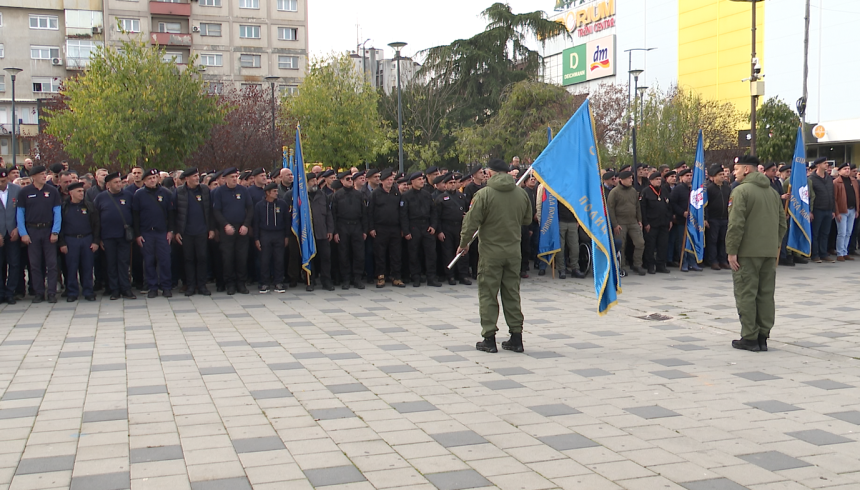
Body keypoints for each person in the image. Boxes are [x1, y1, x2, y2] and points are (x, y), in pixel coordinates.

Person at [459, 159, 532, 353]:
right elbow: (527, 219)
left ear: (491, 174)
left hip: (491, 253)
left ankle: (489, 338)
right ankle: (516, 337)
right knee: (512, 293)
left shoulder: (483, 195)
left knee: (488, 294)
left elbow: (470, 222)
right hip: (513, 252)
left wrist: (463, 244)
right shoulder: (521, 194)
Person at [726, 155, 787, 352]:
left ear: (746, 170)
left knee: (746, 293)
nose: (734, 172)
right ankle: (763, 336)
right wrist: (774, 245)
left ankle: (750, 337)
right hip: (768, 252)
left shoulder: (740, 191)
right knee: (766, 294)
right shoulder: (772, 192)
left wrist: (732, 251)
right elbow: (781, 223)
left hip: (747, 252)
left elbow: (736, 224)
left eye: (736, 168)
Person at [17, 165, 62, 303]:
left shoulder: (52, 191)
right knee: (35, 264)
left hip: (48, 229)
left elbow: (57, 213)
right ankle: (39, 292)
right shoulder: (25, 192)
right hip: (32, 230)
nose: (44, 176)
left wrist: (55, 231)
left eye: (45, 174)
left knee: (52, 264)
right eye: (41, 174)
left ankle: (52, 292)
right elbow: (20, 214)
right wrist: (23, 233)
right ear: (33, 176)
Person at [133, 169, 175, 298]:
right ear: (144, 181)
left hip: (162, 232)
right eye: (149, 178)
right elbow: (135, 216)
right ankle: (152, 287)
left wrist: (171, 231)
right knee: (149, 261)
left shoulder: (166, 193)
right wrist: (137, 234)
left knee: (165, 261)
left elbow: (171, 214)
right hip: (147, 233)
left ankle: (166, 286)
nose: (152, 180)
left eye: (155, 177)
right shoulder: (139, 195)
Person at [94, 172, 136, 300]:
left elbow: (134, 215)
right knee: (111, 263)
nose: (119, 184)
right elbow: (96, 220)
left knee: (123, 263)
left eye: (119, 182)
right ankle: (114, 290)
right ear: (108, 185)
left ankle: (126, 288)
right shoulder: (101, 198)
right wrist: (99, 238)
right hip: (107, 236)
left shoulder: (128, 196)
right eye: (115, 182)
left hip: (124, 236)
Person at [213, 167, 253, 295]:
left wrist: (246, 225)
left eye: (236, 176)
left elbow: (250, 208)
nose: (235, 179)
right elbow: (216, 211)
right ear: (225, 179)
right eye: (232, 177)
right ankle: (229, 283)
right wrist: (225, 225)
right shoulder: (219, 192)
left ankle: (241, 283)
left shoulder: (243, 190)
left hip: (241, 227)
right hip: (227, 229)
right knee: (228, 257)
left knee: (242, 257)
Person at [174, 167, 212, 296]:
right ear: (187, 179)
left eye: (197, 176)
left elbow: (210, 210)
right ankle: (190, 285)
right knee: (188, 259)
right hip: (186, 232)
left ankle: (202, 285)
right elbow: (175, 213)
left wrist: (211, 228)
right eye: (194, 176)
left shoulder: (204, 190)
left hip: (201, 230)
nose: (197, 178)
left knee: (202, 258)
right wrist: (177, 231)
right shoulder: (179, 192)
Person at [59, 182, 99, 302]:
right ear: (71, 193)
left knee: (87, 267)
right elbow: (59, 226)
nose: (82, 193)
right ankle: (72, 292)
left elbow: (96, 225)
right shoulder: (64, 207)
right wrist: (62, 243)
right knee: (71, 267)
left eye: (82, 191)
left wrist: (96, 241)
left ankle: (88, 291)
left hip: (87, 239)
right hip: (70, 240)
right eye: (79, 191)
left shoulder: (89, 206)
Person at [401, 171, 441, 287]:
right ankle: (416, 277)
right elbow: (403, 215)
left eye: (422, 179)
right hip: (414, 226)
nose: (422, 181)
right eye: (419, 180)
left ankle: (431, 277)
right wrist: (406, 231)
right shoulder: (406, 196)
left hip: (426, 226)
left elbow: (434, 212)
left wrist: (433, 226)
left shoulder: (427, 194)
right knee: (414, 253)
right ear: (412, 182)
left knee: (431, 253)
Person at [368, 169, 405, 288]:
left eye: (391, 180)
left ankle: (396, 276)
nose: (390, 182)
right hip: (380, 228)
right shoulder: (375, 193)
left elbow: (401, 211)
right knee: (380, 253)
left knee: (396, 253)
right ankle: (380, 276)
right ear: (382, 181)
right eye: (388, 180)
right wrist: (371, 228)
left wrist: (402, 228)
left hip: (394, 227)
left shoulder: (396, 193)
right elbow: (370, 212)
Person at [331, 171, 367, 290]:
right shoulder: (337, 195)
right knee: (343, 253)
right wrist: (335, 231)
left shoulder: (358, 194)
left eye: (351, 179)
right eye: (347, 179)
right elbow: (334, 215)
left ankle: (357, 278)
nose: (350, 181)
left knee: (359, 253)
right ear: (341, 181)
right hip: (343, 225)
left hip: (356, 225)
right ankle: (346, 279)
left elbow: (364, 213)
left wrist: (364, 230)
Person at [607, 171, 646, 276]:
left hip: (633, 221)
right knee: (621, 246)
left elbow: (637, 206)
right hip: (620, 223)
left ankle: (637, 264)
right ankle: (621, 266)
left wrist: (639, 220)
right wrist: (615, 224)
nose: (631, 180)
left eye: (631, 178)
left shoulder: (633, 191)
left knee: (640, 243)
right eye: (629, 178)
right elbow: (610, 209)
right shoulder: (614, 192)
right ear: (621, 180)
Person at [435, 174, 471, 285]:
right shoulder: (440, 198)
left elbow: (467, 210)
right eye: (450, 183)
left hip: (459, 227)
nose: (453, 185)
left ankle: (463, 275)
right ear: (445, 185)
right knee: (448, 252)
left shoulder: (461, 197)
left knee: (462, 252)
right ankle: (450, 276)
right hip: (446, 227)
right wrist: (439, 231)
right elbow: (437, 216)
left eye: (454, 183)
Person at [254, 183, 289, 293]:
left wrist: (286, 236)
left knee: (279, 259)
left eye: (276, 191)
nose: (276, 193)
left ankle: (278, 282)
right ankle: (264, 283)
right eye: (274, 191)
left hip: (279, 233)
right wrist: (256, 238)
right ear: (267, 193)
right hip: (265, 234)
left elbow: (287, 221)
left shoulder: (282, 204)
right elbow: (256, 223)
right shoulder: (259, 205)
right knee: (264, 259)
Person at [640, 172, 673, 274]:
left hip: (663, 223)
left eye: (660, 179)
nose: (659, 181)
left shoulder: (664, 191)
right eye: (656, 179)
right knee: (650, 245)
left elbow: (669, 206)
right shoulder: (646, 192)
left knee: (663, 245)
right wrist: (646, 223)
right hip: (651, 223)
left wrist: (670, 220)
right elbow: (643, 209)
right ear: (651, 181)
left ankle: (660, 265)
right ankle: (650, 265)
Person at [307, 172, 334, 292]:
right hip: (308, 233)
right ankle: (310, 280)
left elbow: (329, 214)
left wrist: (330, 230)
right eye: (312, 181)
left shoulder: (323, 195)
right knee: (310, 258)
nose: (315, 183)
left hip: (322, 232)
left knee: (326, 257)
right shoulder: (302, 196)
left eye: (315, 180)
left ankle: (326, 280)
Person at [0, 169, 21, 304]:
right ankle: (1, 292)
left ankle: (10, 292)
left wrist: (18, 229)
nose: (2, 184)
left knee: (14, 263)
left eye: (3, 181)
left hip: (13, 232)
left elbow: (22, 211)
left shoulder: (17, 190)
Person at [809, 157, 836, 263]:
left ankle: (823, 253)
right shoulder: (812, 178)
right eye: (824, 163)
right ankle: (815, 254)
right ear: (818, 165)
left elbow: (832, 194)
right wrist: (810, 211)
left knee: (825, 233)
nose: (827, 165)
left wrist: (833, 209)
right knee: (815, 233)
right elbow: (810, 196)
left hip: (828, 209)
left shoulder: (829, 178)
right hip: (817, 209)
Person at [705, 164, 731, 270]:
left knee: (723, 240)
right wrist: (706, 218)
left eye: (723, 174)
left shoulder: (726, 187)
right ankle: (713, 261)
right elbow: (705, 205)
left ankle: (723, 260)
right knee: (713, 240)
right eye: (719, 175)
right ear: (713, 177)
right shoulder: (709, 188)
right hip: (713, 218)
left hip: (724, 218)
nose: (722, 176)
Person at [832, 162, 858, 261]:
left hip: (852, 209)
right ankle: (840, 253)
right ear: (839, 171)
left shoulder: (853, 181)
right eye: (845, 169)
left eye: (848, 169)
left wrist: (857, 209)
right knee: (842, 232)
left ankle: (845, 251)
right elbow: (834, 198)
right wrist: (837, 212)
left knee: (848, 232)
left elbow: (856, 196)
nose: (847, 170)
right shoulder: (836, 182)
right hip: (842, 210)